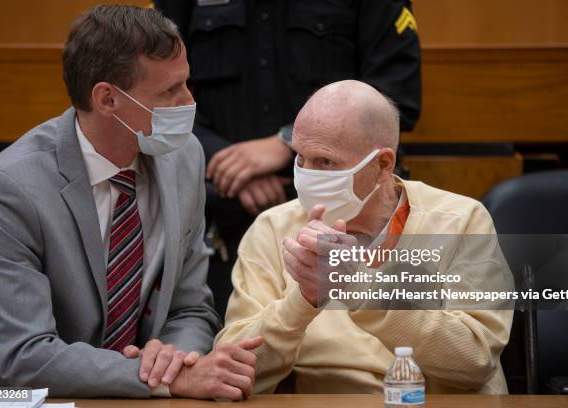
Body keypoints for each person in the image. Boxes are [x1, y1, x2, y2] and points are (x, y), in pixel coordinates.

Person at [0, 5, 261, 401]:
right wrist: (164, 379)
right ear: (107, 99)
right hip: (23, 397)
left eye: (186, 83)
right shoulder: (12, 185)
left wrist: (172, 357)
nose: (189, 102)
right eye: (170, 91)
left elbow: (191, 310)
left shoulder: (184, 156)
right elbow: (24, 355)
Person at [215, 80, 513, 394]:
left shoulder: (461, 220)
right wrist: (304, 299)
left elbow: (476, 360)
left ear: (383, 164)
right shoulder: (274, 228)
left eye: (326, 162)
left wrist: (359, 285)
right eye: (300, 158)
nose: (307, 175)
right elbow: (235, 372)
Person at [156, 0, 422, 317]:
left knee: (356, 345)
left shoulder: (459, 220)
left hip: (351, 216)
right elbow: (162, 94)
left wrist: (287, 145)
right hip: (219, 219)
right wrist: (230, 166)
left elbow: (393, 100)